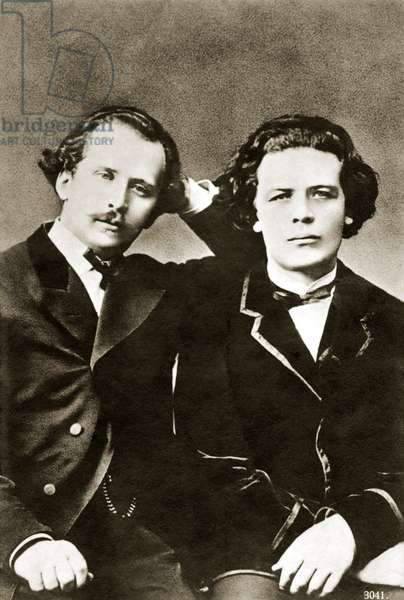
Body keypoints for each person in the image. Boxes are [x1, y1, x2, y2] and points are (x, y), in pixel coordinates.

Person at [0, 104, 255, 600]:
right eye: (105, 175)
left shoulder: (152, 285)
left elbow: (270, 272)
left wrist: (190, 201)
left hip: (140, 538)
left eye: (141, 188)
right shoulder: (6, 285)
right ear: (65, 180)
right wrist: (25, 544)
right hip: (32, 541)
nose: (118, 201)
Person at [174, 114, 404, 599]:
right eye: (280, 196)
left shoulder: (394, 321)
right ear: (253, 213)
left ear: (348, 209)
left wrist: (353, 532)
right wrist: (321, 537)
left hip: (369, 545)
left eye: (322, 194)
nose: (302, 213)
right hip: (250, 549)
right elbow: (214, 465)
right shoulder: (207, 308)